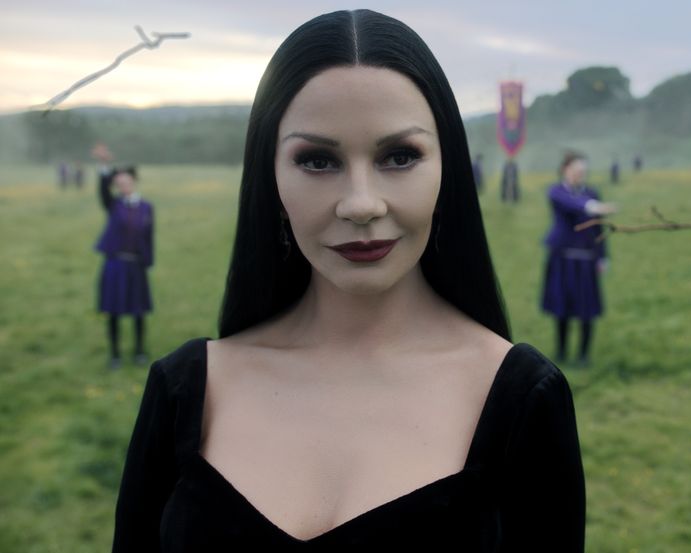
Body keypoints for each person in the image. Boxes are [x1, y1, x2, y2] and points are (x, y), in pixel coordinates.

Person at [111, 10, 585, 552]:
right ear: (270, 177)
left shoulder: (523, 397)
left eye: (400, 156)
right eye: (317, 160)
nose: (361, 203)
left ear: (447, 169)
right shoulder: (183, 389)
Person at [541, 151, 616, 366]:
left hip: (586, 260)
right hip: (562, 259)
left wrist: (603, 257)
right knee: (561, 308)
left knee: (587, 309)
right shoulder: (556, 192)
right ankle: (561, 353)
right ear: (565, 170)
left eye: (583, 171)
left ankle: (583, 356)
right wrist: (592, 206)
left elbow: (599, 228)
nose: (580, 174)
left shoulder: (592, 192)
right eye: (576, 170)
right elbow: (571, 203)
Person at [95, 162, 154, 368]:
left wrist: (148, 262)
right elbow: (103, 190)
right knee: (113, 312)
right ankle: (115, 355)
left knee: (139, 312)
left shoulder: (147, 207)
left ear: (134, 182)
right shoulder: (113, 205)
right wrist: (106, 168)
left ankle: (139, 351)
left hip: (137, 266)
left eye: (127, 182)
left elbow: (149, 237)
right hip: (115, 265)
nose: (124, 186)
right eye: (119, 183)